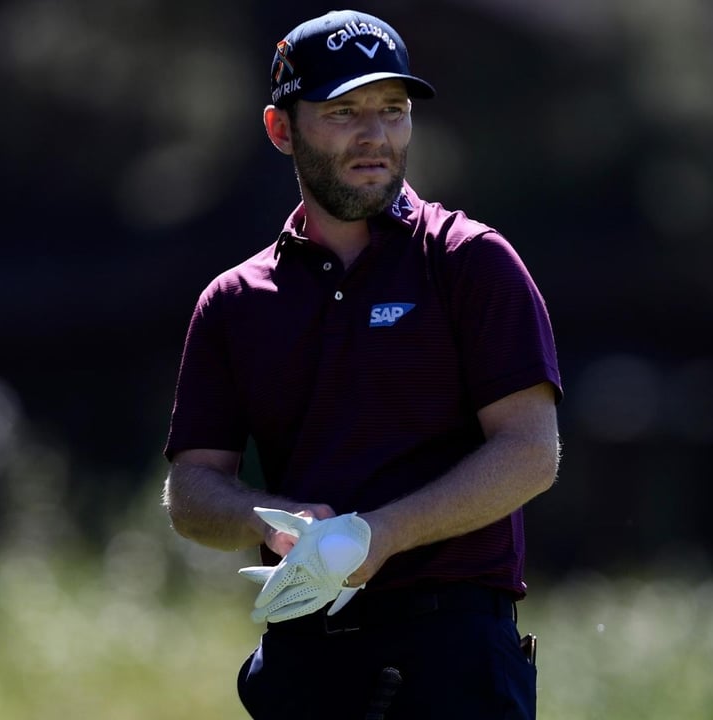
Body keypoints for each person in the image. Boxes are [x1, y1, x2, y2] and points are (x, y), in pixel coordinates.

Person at [160, 9, 561, 720]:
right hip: (304, 660)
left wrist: (379, 536)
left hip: (456, 657)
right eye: (343, 112)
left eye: (392, 110)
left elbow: (531, 452)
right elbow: (192, 489)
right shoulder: (234, 302)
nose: (374, 134)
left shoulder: (469, 263)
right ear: (281, 129)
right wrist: (273, 517)